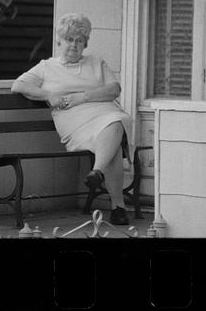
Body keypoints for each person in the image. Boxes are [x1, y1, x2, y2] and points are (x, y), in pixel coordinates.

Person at [11, 13, 133, 225]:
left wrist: (83, 97)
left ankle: (99, 175)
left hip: (104, 114)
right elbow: (18, 85)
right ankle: (117, 204)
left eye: (79, 40)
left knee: (114, 123)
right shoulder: (47, 67)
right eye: (69, 39)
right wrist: (48, 95)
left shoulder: (96, 62)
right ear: (59, 40)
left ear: (85, 43)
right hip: (75, 122)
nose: (74, 45)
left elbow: (114, 89)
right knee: (114, 133)